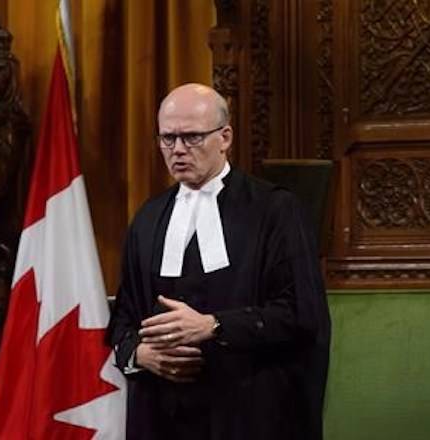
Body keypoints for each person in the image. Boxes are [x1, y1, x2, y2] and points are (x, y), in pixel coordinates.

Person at [106, 83, 330, 440]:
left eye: (192, 137)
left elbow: (301, 314)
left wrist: (214, 326)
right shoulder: (148, 219)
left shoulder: (275, 211)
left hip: (247, 412)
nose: (177, 150)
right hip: (164, 417)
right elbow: (123, 318)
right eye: (167, 138)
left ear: (225, 137)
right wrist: (138, 353)